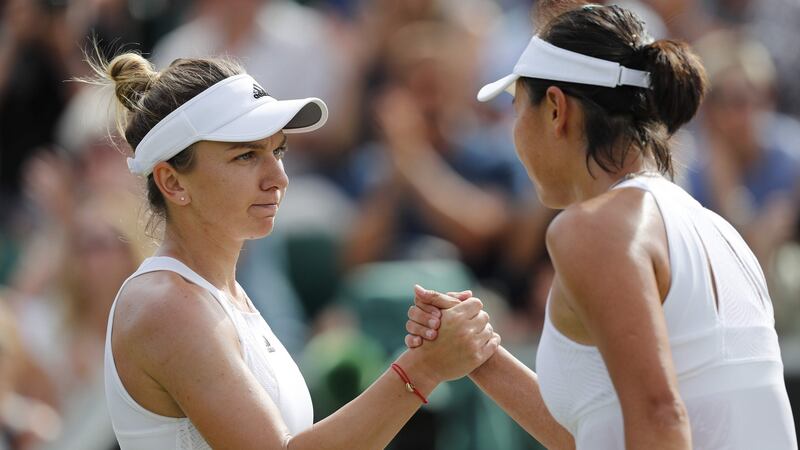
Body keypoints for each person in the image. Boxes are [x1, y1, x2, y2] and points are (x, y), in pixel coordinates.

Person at [405, 4, 797, 449]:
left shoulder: (593, 228)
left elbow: (660, 418)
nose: (513, 133)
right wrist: (483, 357)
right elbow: (600, 435)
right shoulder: (723, 234)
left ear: (555, 109)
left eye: (517, 108)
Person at [91, 52, 500, 449]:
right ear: (174, 182)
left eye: (278, 150)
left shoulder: (220, 297)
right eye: (247, 155)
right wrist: (424, 368)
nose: (278, 177)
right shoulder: (165, 304)